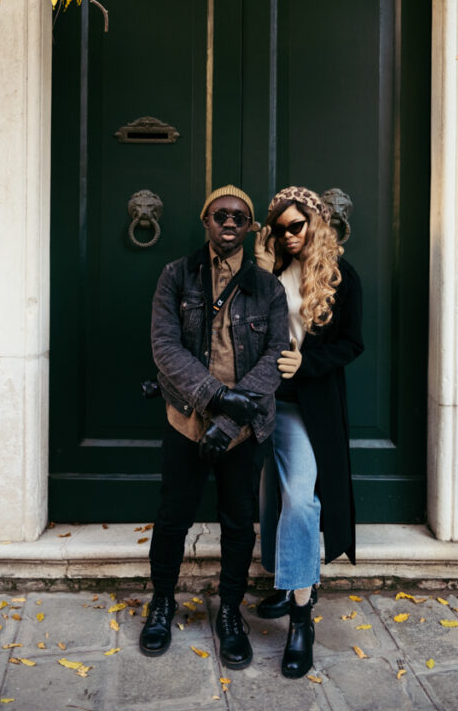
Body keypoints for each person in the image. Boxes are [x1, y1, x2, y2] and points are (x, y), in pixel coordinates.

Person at [140, 186, 289, 670]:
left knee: (236, 521)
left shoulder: (268, 288)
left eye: (240, 217)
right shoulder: (176, 276)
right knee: (172, 517)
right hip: (185, 419)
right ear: (205, 219)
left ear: (249, 228)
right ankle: (161, 602)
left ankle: (230, 612)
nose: (229, 222)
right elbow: (165, 347)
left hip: (243, 432)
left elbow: (275, 358)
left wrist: (229, 420)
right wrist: (217, 398)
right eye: (220, 214)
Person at [254, 185, 364, 679]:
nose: (288, 236)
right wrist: (257, 272)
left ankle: (301, 618)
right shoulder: (267, 271)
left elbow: (352, 344)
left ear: (316, 222)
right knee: (266, 499)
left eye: (296, 226)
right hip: (257, 401)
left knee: (299, 499)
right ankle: (286, 579)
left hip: (304, 405)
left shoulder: (342, 277)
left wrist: (308, 362)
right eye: (279, 229)